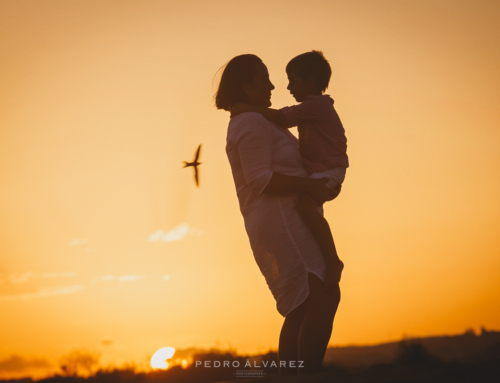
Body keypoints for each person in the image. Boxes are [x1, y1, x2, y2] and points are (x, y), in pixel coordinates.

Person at [215, 54, 342, 375]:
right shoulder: (248, 122)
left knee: (304, 306)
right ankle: (305, 377)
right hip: (283, 222)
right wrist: (311, 186)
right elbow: (261, 179)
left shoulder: (255, 120)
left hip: (288, 219)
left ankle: (295, 377)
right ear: (245, 87)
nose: (273, 86)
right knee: (323, 294)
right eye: (264, 79)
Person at [231, 51, 348, 294]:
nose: (286, 86)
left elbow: (282, 117)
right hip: (322, 171)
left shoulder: (315, 106)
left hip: (327, 171)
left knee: (306, 208)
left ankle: (333, 260)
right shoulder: (313, 107)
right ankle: (330, 260)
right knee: (308, 209)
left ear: (311, 83)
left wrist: (245, 107)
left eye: (292, 80)